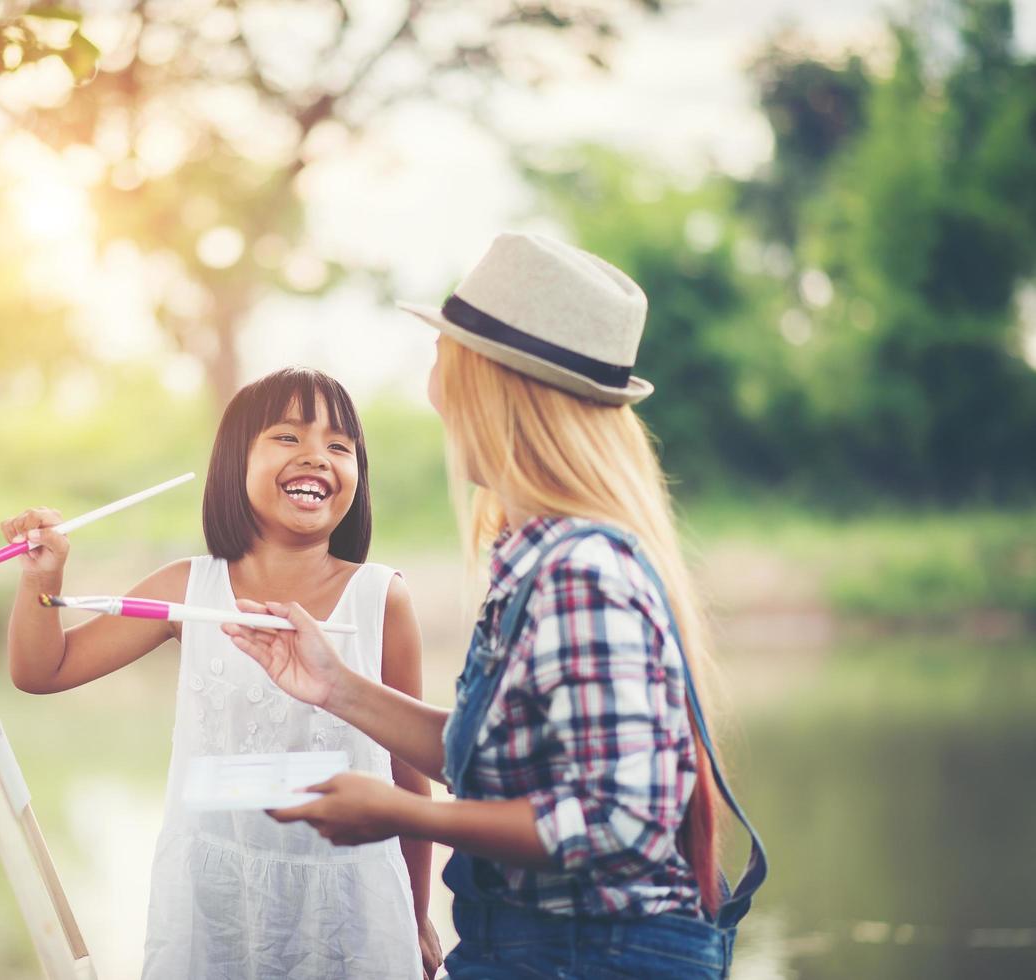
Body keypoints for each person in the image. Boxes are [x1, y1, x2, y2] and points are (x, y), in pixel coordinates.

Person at [223, 233, 768, 979]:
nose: (432, 385)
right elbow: (499, 769)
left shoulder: (580, 570)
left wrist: (401, 813)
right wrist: (337, 687)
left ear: (490, 385)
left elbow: (617, 824)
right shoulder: (530, 559)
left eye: (446, 357)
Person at [2, 367, 442, 979]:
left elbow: (409, 779)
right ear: (235, 462)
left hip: (352, 907)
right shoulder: (189, 588)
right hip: (213, 904)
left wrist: (416, 913)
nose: (316, 456)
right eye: (288, 437)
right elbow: (42, 669)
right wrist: (41, 577)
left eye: (339, 446)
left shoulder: (381, 598)